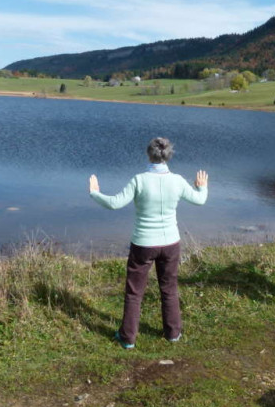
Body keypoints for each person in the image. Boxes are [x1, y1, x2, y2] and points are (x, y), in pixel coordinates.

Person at [89, 137, 208, 349]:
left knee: (135, 292)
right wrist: (202, 187)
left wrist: (95, 193)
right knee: (169, 288)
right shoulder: (178, 180)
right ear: (168, 156)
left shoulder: (139, 180)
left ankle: (128, 338)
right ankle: (173, 333)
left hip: (143, 245)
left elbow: (114, 204)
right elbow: (200, 200)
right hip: (171, 243)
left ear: (148, 154)